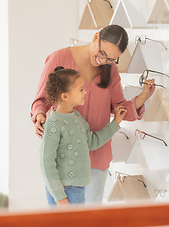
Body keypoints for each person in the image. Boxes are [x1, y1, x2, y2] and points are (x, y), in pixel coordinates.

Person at [31, 24, 155, 203]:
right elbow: (41, 99)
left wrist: (143, 97)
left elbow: (119, 108)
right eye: (102, 53)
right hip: (65, 159)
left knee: (91, 219)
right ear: (96, 37)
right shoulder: (59, 58)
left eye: (112, 59)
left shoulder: (110, 69)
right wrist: (40, 115)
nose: (103, 60)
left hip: (97, 155)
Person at [41, 66, 127, 207]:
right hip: (63, 192)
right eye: (81, 89)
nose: (85, 92)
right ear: (65, 96)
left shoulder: (77, 118)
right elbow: (46, 164)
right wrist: (59, 197)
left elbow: (92, 142)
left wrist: (115, 123)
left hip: (79, 187)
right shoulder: (53, 124)